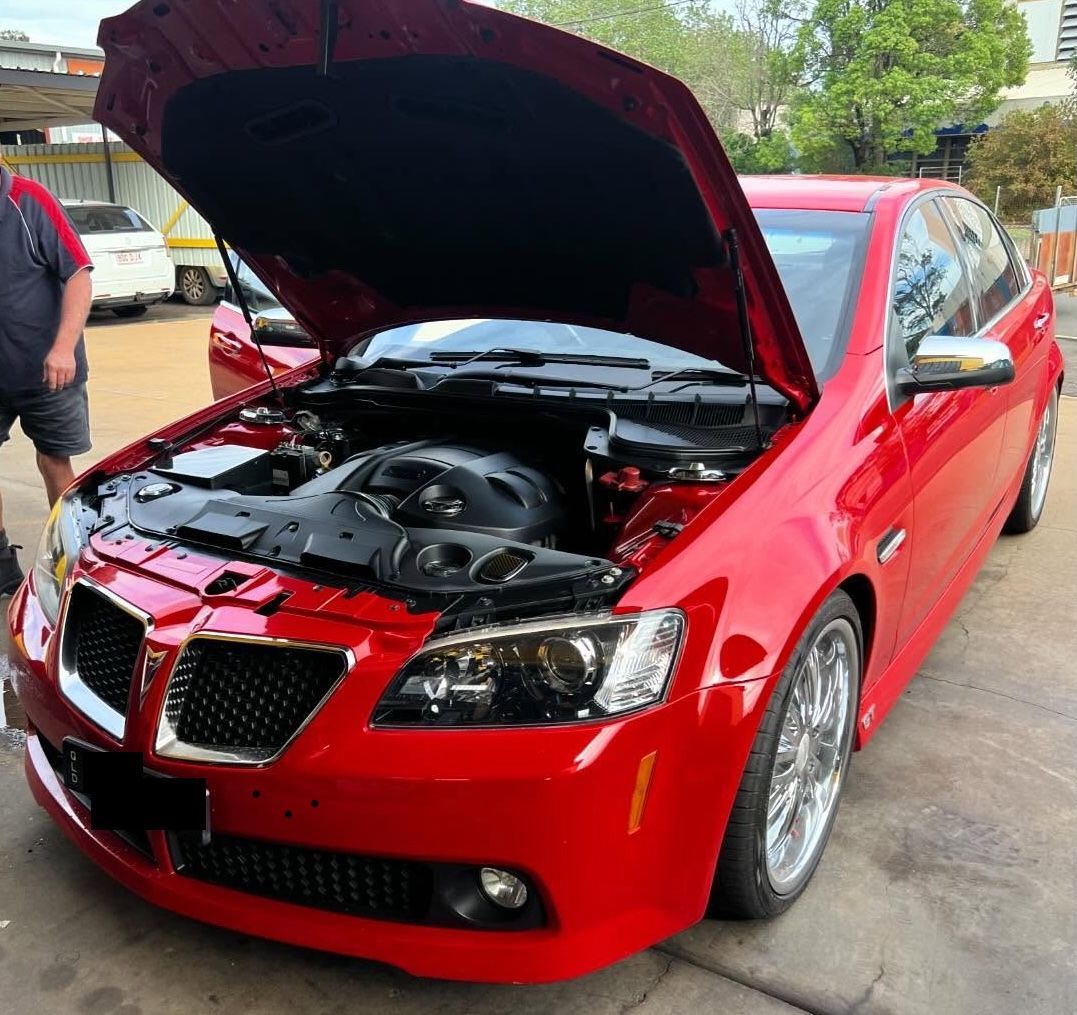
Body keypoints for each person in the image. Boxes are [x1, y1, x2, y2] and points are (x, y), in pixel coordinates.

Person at [0, 164, 94, 594]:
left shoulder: (28, 199)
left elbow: (78, 274)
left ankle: (68, 564)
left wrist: (62, 347)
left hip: (48, 370)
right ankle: (2, 566)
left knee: (54, 461)